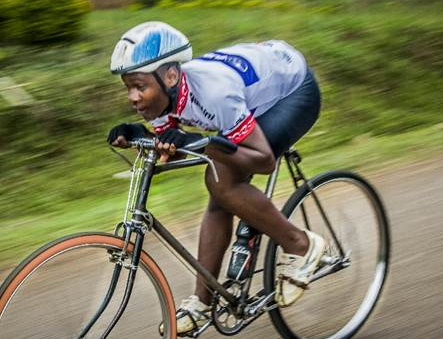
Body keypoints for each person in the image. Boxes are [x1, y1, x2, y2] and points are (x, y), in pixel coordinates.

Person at [107, 21, 326, 335]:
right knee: (221, 192)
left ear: (170, 75)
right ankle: (202, 303)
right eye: (128, 87)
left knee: (220, 180)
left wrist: (205, 143)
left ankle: (301, 245)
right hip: (253, 89)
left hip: (292, 92)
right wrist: (140, 135)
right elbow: (176, 146)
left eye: (139, 86)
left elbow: (263, 160)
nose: (133, 96)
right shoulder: (161, 98)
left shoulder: (214, 94)